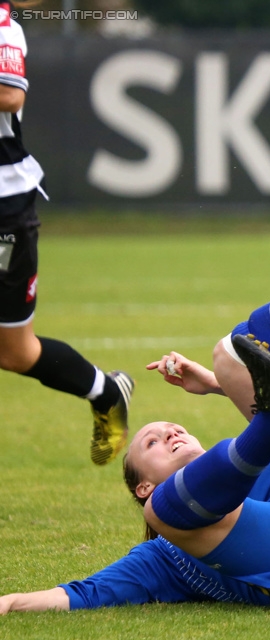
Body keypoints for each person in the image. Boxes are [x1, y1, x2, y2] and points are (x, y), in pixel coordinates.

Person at [0, 172, 270, 614]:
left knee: (230, 358)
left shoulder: (245, 470)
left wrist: (217, 383)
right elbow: (80, 594)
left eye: (170, 427)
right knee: (166, 515)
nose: (170, 432)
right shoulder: (164, 558)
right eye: (151, 441)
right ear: (142, 487)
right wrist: (10, 603)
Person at [0, 1, 133, 465]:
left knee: (15, 352)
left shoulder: (3, 24)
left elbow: (10, 94)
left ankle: (106, 393)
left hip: (4, 206)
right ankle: (105, 391)